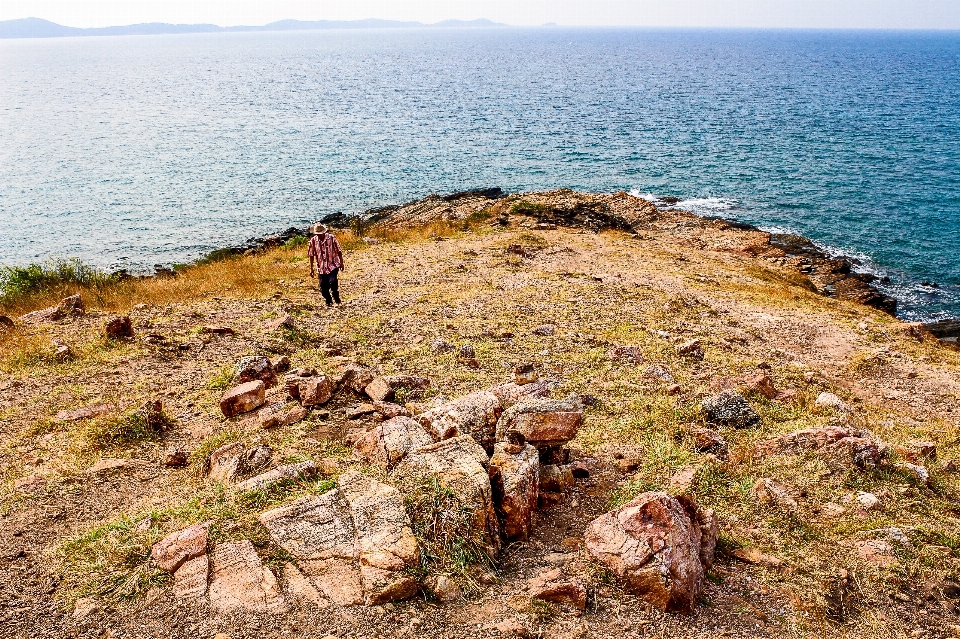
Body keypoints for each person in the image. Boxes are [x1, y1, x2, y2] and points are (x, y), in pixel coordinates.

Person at [307, 222, 344, 307]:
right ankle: (328, 300)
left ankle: (336, 296)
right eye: (317, 234)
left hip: (333, 265)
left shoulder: (331, 238)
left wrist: (341, 263)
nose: (319, 235)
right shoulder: (313, 241)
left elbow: (339, 251)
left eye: (321, 233)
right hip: (321, 268)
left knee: (333, 282)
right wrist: (311, 268)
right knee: (323, 287)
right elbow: (311, 255)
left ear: (324, 232)